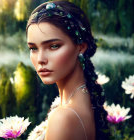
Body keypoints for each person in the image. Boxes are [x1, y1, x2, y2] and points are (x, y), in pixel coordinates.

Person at [26, 1, 109, 140]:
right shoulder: (87, 100)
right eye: (33, 48)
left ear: (80, 47)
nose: (40, 59)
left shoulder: (63, 117)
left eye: (53, 46)